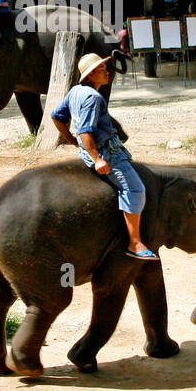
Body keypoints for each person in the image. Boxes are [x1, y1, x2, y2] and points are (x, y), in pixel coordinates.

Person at [51, 53, 155, 261]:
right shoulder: (93, 98)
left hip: (87, 151)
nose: (107, 72)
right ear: (90, 76)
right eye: (101, 69)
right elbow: (86, 132)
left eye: (105, 67)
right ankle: (135, 243)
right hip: (108, 153)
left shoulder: (76, 91)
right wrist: (97, 158)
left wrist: (72, 141)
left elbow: (56, 116)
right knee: (135, 188)